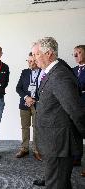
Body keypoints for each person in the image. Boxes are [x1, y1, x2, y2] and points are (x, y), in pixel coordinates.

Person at [31, 37, 85, 189]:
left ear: (48, 54)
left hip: (59, 143)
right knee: (57, 180)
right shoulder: (52, 71)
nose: (34, 59)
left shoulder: (60, 75)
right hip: (53, 141)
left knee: (57, 184)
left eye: (36, 54)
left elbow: (76, 110)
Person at [15, 52, 42, 161]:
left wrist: (35, 99)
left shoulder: (43, 72)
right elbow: (18, 88)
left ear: (36, 60)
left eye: (32, 61)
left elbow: (46, 89)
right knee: (25, 127)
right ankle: (24, 148)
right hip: (25, 104)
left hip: (38, 104)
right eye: (28, 61)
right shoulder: (24, 72)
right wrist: (27, 97)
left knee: (37, 128)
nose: (30, 63)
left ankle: (37, 150)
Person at [72, 45, 85, 176]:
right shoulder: (73, 70)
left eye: (79, 52)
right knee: (76, 133)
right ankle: (77, 158)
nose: (76, 55)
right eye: (74, 53)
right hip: (75, 106)